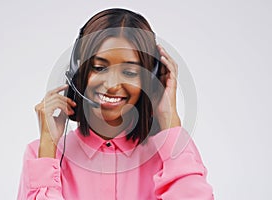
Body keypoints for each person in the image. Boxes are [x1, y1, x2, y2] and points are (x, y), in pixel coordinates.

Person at [17, 8, 214, 199]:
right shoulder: (42, 154)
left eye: (129, 72)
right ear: (79, 72)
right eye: (99, 67)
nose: (112, 85)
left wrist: (169, 120)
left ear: (149, 80)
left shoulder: (169, 155)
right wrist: (48, 148)